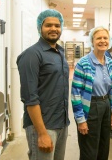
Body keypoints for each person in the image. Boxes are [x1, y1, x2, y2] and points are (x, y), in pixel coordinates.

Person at [16, 9, 70, 160]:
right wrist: (41, 133)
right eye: (48, 25)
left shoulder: (60, 53)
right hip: (43, 126)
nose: (53, 29)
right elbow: (30, 97)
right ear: (40, 27)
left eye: (57, 25)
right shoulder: (32, 55)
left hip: (61, 123)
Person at [71, 26, 112, 160]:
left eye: (105, 38)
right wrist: (81, 120)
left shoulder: (109, 62)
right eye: (99, 38)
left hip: (106, 105)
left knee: (104, 147)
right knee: (89, 151)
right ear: (92, 41)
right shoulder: (83, 63)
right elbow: (75, 94)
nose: (102, 41)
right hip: (90, 107)